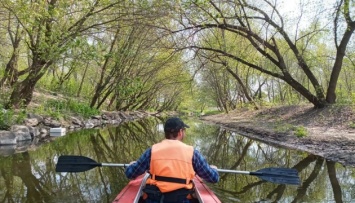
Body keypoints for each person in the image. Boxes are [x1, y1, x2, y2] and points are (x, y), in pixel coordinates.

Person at [125, 117, 219, 203]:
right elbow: (213, 178)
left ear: (165, 133)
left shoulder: (152, 150)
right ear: (180, 132)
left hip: (155, 199)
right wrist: (214, 169)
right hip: (182, 200)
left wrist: (132, 165)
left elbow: (130, 173)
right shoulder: (193, 152)